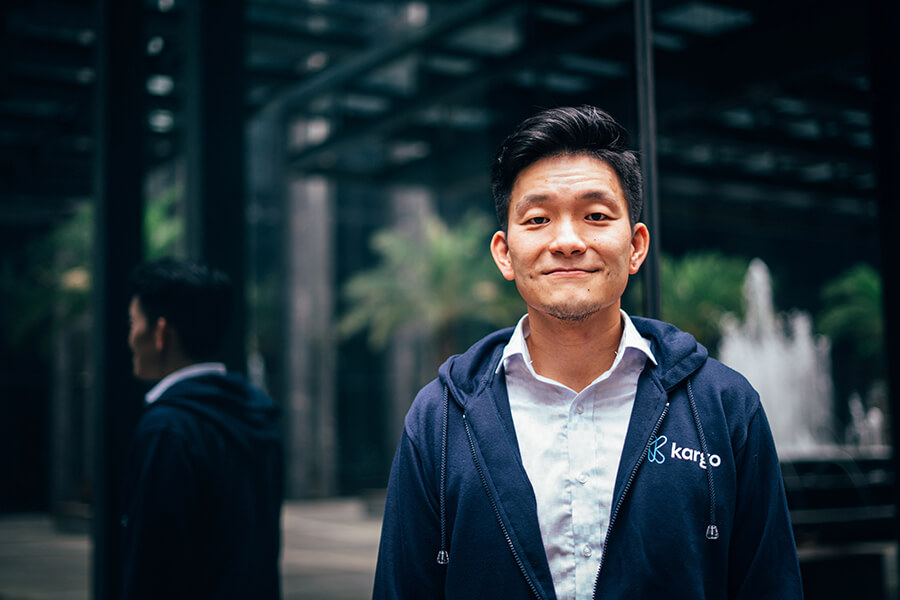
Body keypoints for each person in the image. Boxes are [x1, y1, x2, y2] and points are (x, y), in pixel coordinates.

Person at [373, 106, 803, 599]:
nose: (568, 241)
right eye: (537, 219)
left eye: (595, 216)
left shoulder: (724, 407)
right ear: (505, 254)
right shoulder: (440, 418)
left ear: (636, 246)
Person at [121, 257, 283, 600]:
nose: (130, 336)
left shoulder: (167, 429)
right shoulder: (256, 416)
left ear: (161, 333)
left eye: (133, 322)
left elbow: (155, 569)